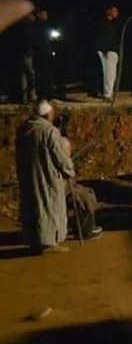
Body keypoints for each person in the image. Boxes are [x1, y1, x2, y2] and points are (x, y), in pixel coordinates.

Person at [16, 100, 77, 254]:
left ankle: (35, 241)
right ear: (47, 115)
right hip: (47, 178)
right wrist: (69, 169)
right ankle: (49, 243)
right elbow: (60, 156)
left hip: (28, 177)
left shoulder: (24, 129)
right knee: (49, 207)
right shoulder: (49, 131)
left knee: (33, 208)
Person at [96, 5, 120, 100]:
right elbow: (102, 37)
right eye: (114, 11)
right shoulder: (104, 24)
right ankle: (107, 94)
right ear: (108, 11)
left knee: (112, 73)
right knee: (109, 73)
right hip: (108, 51)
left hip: (112, 50)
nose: (116, 13)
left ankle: (109, 92)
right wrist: (105, 49)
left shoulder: (112, 24)